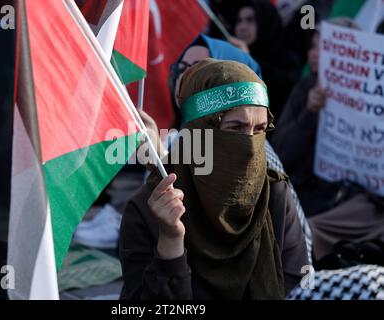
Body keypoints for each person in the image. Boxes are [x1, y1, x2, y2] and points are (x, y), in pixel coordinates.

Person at [119, 59, 309, 300]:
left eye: (259, 129)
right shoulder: (149, 208)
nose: (250, 146)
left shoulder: (275, 194)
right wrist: (170, 240)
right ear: (198, 132)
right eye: (234, 128)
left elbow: (298, 289)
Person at [271, 18, 384, 262]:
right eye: (313, 46)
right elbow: (280, 155)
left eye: (325, 47)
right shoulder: (306, 88)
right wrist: (309, 114)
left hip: (363, 203)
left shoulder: (376, 95)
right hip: (307, 193)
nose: (315, 53)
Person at [209, 0, 301, 122]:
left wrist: (249, 61)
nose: (242, 27)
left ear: (266, 22)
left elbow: (277, 91)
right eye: (239, 21)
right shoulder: (228, 59)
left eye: (250, 20)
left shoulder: (288, 62)